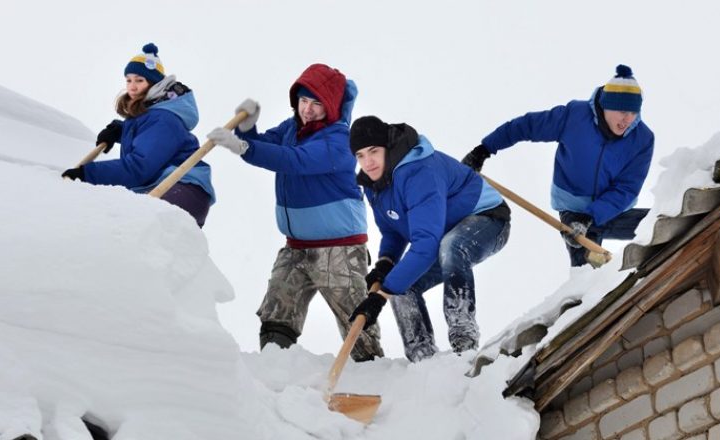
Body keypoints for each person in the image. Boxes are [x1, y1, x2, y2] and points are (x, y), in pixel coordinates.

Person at [206, 64, 383, 361]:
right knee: (277, 311)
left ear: (330, 107)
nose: (308, 110)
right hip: (296, 247)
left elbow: (293, 160)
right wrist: (247, 129)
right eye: (303, 101)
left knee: (358, 326)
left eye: (317, 104)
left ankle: (373, 383)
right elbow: (265, 145)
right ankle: (278, 374)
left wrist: (244, 147)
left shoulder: (339, 140)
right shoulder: (292, 128)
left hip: (339, 249)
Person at [347, 116, 511, 362]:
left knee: (450, 247)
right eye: (360, 155)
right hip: (442, 231)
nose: (368, 162)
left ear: (387, 147)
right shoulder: (374, 185)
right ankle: (423, 359)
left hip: (488, 219)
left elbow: (426, 245)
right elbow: (393, 231)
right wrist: (385, 264)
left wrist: (380, 296)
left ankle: (463, 342)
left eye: (373, 151)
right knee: (402, 282)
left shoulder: (418, 172)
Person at [461, 64, 654, 267]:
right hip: (573, 211)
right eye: (623, 111)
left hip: (614, 210)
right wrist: (483, 150)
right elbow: (526, 126)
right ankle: (587, 286)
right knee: (586, 275)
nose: (628, 119)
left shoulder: (642, 139)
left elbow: (627, 188)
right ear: (607, 105)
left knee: (656, 225)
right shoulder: (574, 117)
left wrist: (592, 215)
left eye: (634, 113)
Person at [62, 43, 215, 228]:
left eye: (139, 80)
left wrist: (87, 173)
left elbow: (139, 167)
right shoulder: (149, 115)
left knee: (133, 229)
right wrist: (120, 130)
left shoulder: (164, 119)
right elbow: (146, 136)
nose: (132, 87)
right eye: (128, 80)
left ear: (153, 83)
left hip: (182, 188)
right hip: (160, 185)